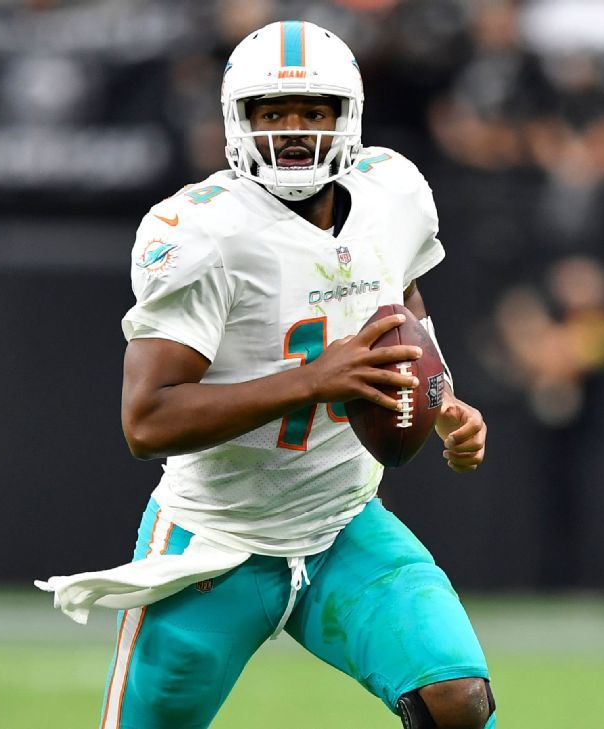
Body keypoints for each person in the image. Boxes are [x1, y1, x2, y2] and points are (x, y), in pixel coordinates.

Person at [37, 20, 495, 729]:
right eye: (271, 112)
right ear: (236, 121)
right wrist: (313, 380)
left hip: (344, 524)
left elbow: (400, 294)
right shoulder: (203, 233)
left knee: (458, 699)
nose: (293, 130)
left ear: (349, 118)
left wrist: (440, 398)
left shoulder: (391, 193)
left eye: (314, 111)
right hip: (216, 545)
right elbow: (147, 420)